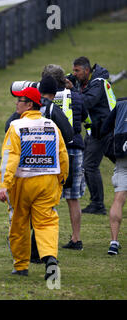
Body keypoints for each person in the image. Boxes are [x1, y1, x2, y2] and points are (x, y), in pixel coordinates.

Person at [0, 86, 68, 280]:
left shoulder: (16, 127)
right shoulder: (52, 126)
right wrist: (62, 178)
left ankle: (21, 266)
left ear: (29, 104)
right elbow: (63, 155)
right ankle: (50, 258)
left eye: (19, 100)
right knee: (46, 222)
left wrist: (5, 184)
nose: (16, 103)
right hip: (48, 182)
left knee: (19, 223)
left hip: (23, 181)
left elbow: (10, 157)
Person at [42, 65, 87, 250]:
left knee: (44, 195)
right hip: (75, 148)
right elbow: (84, 117)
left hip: (50, 149)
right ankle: (76, 238)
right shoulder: (75, 96)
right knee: (73, 197)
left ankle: (42, 235)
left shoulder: (43, 101)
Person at [65, 57, 117, 215]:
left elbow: (87, 102)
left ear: (87, 70)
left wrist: (72, 89)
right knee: (120, 164)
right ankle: (97, 203)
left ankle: (98, 205)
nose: (74, 73)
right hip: (96, 129)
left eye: (77, 71)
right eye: (73, 70)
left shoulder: (98, 82)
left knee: (89, 166)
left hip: (106, 130)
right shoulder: (83, 80)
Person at [100, 98, 127, 255]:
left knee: (119, 199)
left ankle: (114, 243)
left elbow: (104, 128)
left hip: (122, 153)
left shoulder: (121, 104)